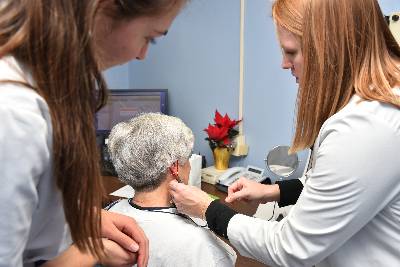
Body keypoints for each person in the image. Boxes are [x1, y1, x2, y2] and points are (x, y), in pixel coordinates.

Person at [168, 0, 400, 266]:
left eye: (291, 52)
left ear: (330, 50)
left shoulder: (366, 127)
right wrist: (272, 192)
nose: (284, 64)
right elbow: (325, 185)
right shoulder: (364, 109)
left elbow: (290, 248)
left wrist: (206, 208)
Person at [0, 0, 187, 266]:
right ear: (104, 7)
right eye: (149, 38)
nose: (142, 55)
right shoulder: (14, 115)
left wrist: (86, 218)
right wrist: (90, 249)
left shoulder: (41, 86)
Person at [106, 113, 237, 267]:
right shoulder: (196, 243)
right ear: (174, 168)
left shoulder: (109, 215)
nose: (189, 166)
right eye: (188, 158)